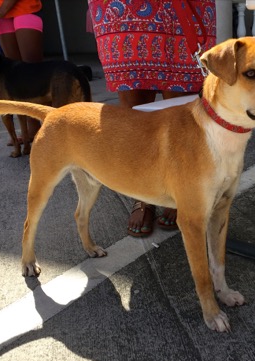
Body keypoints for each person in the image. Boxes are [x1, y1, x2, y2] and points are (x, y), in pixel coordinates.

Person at [88, 0, 216, 237]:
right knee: (133, 115)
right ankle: (143, 195)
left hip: (183, 7)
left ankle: (179, 188)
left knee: (184, 114)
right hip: (122, 7)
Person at [0, 0, 44, 140]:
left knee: (33, 74)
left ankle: (45, 126)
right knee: (16, 78)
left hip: (25, 10)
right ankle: (30, 129)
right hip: (2, 17)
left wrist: (1, 11)